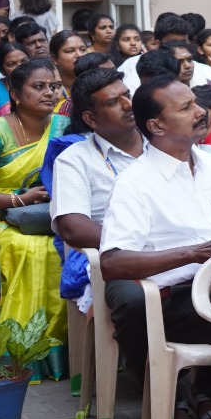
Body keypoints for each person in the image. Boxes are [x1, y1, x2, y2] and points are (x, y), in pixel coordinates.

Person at [99, 76, 211, 419]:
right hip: (173, 297)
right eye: (186, 108)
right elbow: (112, 263)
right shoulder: (136, 182)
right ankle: (175, 393)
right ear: (156, 126)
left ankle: (209, 389)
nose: (200, 112)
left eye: (196, 103)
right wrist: (193, 254)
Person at [0, 57, 69, 379]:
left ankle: (69, 349)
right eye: (38, 87)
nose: (49, 93)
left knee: (70, 249)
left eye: (53, 86)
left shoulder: (64, 127)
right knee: (33, 252)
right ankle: (20, 352)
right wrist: (19, 199)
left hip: (52, 214)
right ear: (15, 93)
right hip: (0, 218)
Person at [51, 69, 143, 314]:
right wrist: (140, 244)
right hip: (117, 257)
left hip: (179, 247)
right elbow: (73, 227)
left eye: (127, 95)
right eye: (114, 102)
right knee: (135, 298)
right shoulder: (75, 159)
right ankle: (138, 353)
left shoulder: (161, 143)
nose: (128, 105)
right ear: (91, 119)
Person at [48, 29, 86, 115]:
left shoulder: (95, 84)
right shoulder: (50, 91)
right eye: (70, 51)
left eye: (83, 50)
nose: (79, 55)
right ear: (54, 58)